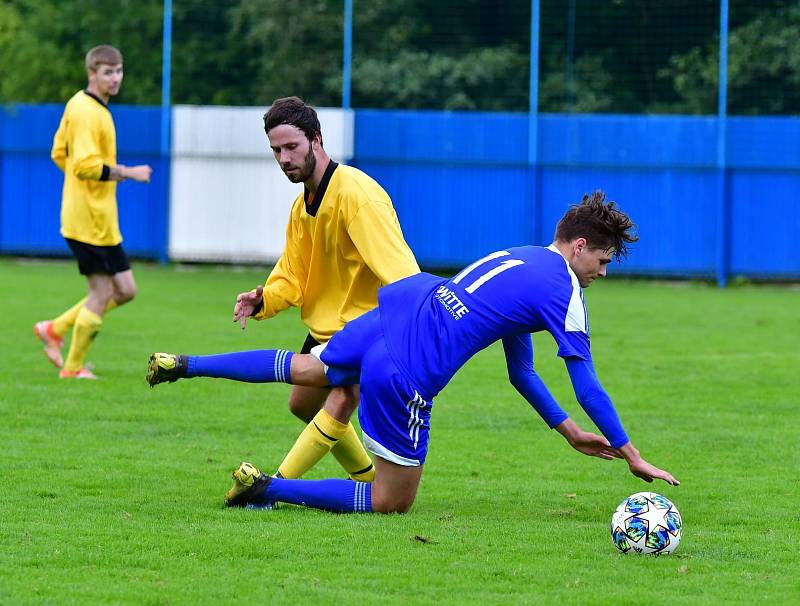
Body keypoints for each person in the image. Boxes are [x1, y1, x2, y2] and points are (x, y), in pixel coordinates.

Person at [215, 192, 680, 514]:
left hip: (394, 320)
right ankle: (268, 488)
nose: (602, 272)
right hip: (409, 370)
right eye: (601, 261)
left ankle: (191, 366)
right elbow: (588, 386)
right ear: (579, 247)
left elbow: (522, 372)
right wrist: (630, 452)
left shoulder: (520, 259)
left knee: (310, 371)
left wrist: (568, 432)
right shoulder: (563, 290)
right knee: (389, 501)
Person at [148, 96, 419, 482]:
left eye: (291, 146)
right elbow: (292, 274)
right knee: (303, 404)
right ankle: (366, 477)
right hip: (326, 328)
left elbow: (402, 274)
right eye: (276, 150)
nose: (284, 158)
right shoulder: (302, 207)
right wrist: (263, 300)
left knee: (340, 399)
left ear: (317, 140)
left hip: (364, 329)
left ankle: (272, 488)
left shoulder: (358, 196)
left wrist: (408, 332)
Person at [34, 45, 152, 379]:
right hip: (88, 220)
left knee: (126, 290)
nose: (115, 78)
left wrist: (78, 184)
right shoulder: (87, 112)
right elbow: (85, 165)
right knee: (101, 294)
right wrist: (129, 172)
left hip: (96, 217)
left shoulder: (82, 105)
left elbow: (59, 152)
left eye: (119, 71)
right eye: (107, 72)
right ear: (92, 73)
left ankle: (53, 330)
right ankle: (72, 368)